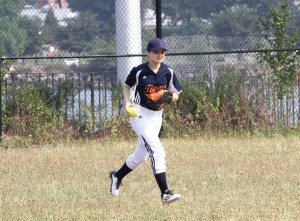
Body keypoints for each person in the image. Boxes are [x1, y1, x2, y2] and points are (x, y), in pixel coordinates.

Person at [109, 38, 182, 204]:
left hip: (157, 117)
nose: (159, 54)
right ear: (148, 53)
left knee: (140, 156)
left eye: (162, 51)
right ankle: (165, 193)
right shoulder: (139, 71)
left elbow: (176, 94)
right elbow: (127, 86)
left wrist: (169, 97)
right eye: (156, 51)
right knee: (157, 151)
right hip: (139, 114)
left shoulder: (168, 72)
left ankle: (117, 175)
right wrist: (127, 103)